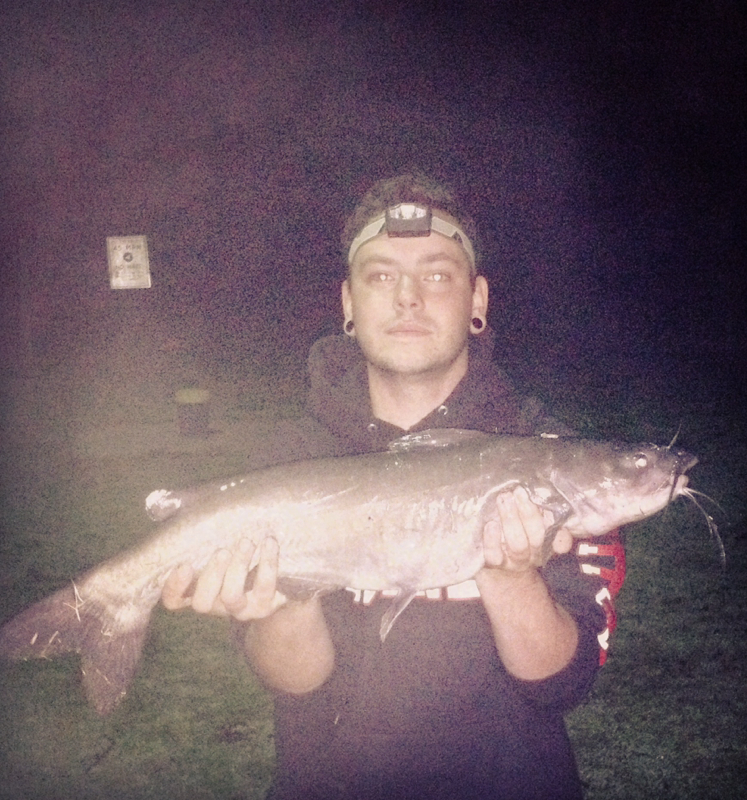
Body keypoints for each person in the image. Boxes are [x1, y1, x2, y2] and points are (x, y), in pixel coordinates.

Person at [162, 175, 616, 799]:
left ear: (476, 298)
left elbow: (562, 684)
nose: (407, 298)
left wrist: (512, 578)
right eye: (380, 276)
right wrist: (287, 599)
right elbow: (294, 681)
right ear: (347, 302)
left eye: (436, 275)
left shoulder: (553, 458)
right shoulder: (287, 465)